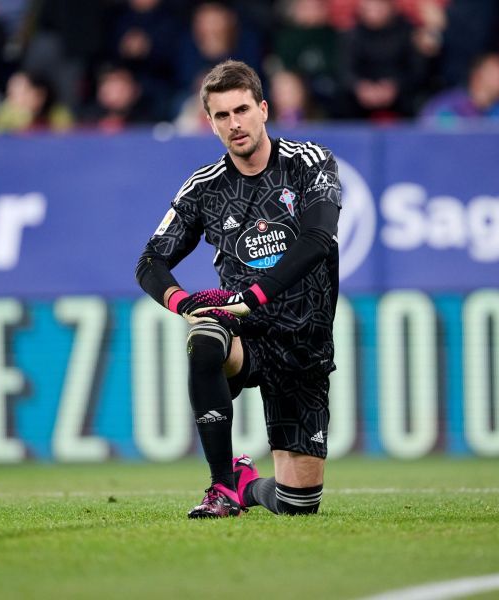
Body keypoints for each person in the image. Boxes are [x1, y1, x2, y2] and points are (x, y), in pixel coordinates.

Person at [135, 59, 341, 519]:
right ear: (210, 124)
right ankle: (222, 486)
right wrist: (183, 302)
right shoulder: (204, 188)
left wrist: (255, 295)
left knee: (297, 505)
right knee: (205, 339)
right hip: (246, 336)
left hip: (304, 347)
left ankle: (247, 486)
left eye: (242, 110)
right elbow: (150, 262)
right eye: (222, 116)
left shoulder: (311, 164)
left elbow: (317, 239)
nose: (235, 123)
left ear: (264, 109)